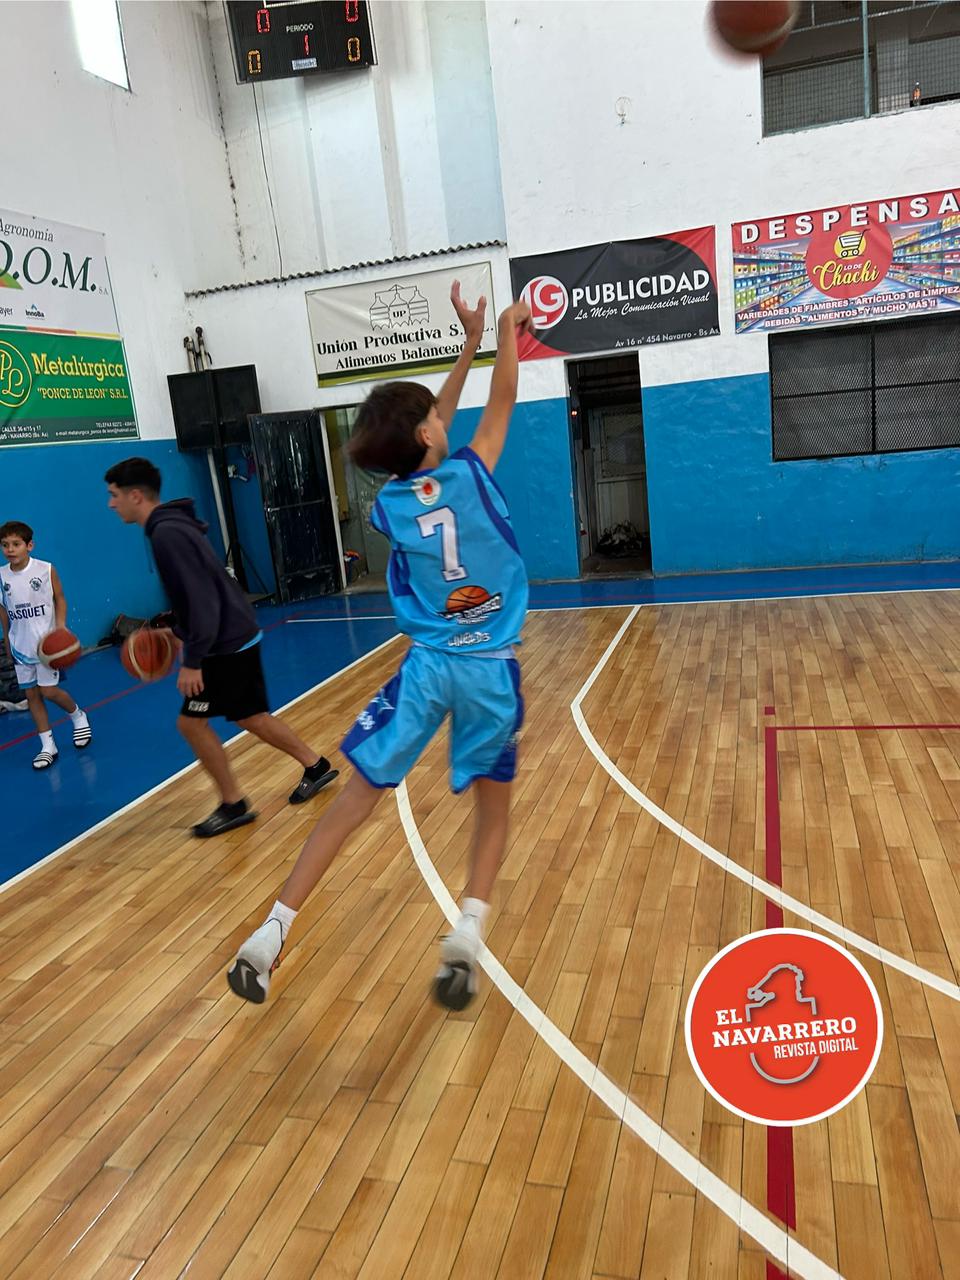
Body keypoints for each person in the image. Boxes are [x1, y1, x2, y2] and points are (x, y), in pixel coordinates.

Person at [228, 283, 532, 1011]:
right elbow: (500, 401)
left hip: (427, 671)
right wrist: (504, 332)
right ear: (429, 434)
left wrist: (468, 343)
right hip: (490, 673)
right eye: (434, 418)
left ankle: (271, 932)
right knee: (493, 812)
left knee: (355, 800)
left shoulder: (392, 504)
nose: (442, 419)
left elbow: (427, 431)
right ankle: (467, 929)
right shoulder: (473, 473)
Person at [104, 459, 338, 836]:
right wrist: (177, 632)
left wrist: (193, 661)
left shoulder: (166, 534)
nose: (111, 504)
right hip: (229, 634)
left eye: (114, 495)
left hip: (225, 642)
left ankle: (234, 803)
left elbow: (203, 600)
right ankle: (314, 766)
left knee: (194, 723)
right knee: (248, 717)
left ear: (135, 495)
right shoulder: (169, 526)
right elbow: (198, 594)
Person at [0, 521, 92, 768]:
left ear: (29, 545)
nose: (10, 549)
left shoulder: (45, 569)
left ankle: (78, 715)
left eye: (16, 544)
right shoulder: (1, 575)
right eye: (5, 545)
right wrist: (7, 638)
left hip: (46, 646)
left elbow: (59, 598)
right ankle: (47, 745)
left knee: (48, 691)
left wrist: (60, 628)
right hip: (20, 646)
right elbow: (3, 611)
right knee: (31, 695)